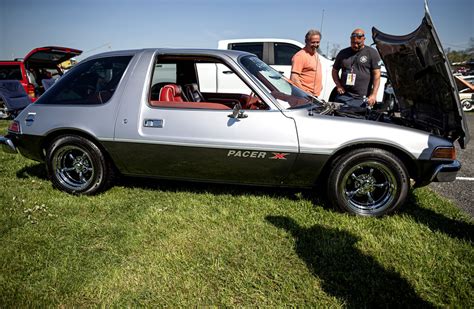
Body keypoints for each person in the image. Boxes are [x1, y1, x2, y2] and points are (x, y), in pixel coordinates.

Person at [332, 28, 381, 107]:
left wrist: (373, 94)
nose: (355, 45)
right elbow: (334, 71)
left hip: (361, 99)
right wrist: (338, 85)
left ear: (364, 39)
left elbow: (377, 75)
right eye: (353, 42)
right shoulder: (343, 53)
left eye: (358, 43)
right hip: (343, 96)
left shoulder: (372, 53)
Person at [290, 29, 323, 97]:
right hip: (303, 97)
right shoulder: (300, 56)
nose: (315, 45)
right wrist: (305, 93)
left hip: (313, 96)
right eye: (313, 42)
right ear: (306, 41)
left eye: (318, 42)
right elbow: (294, 78)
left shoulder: (315, 54)